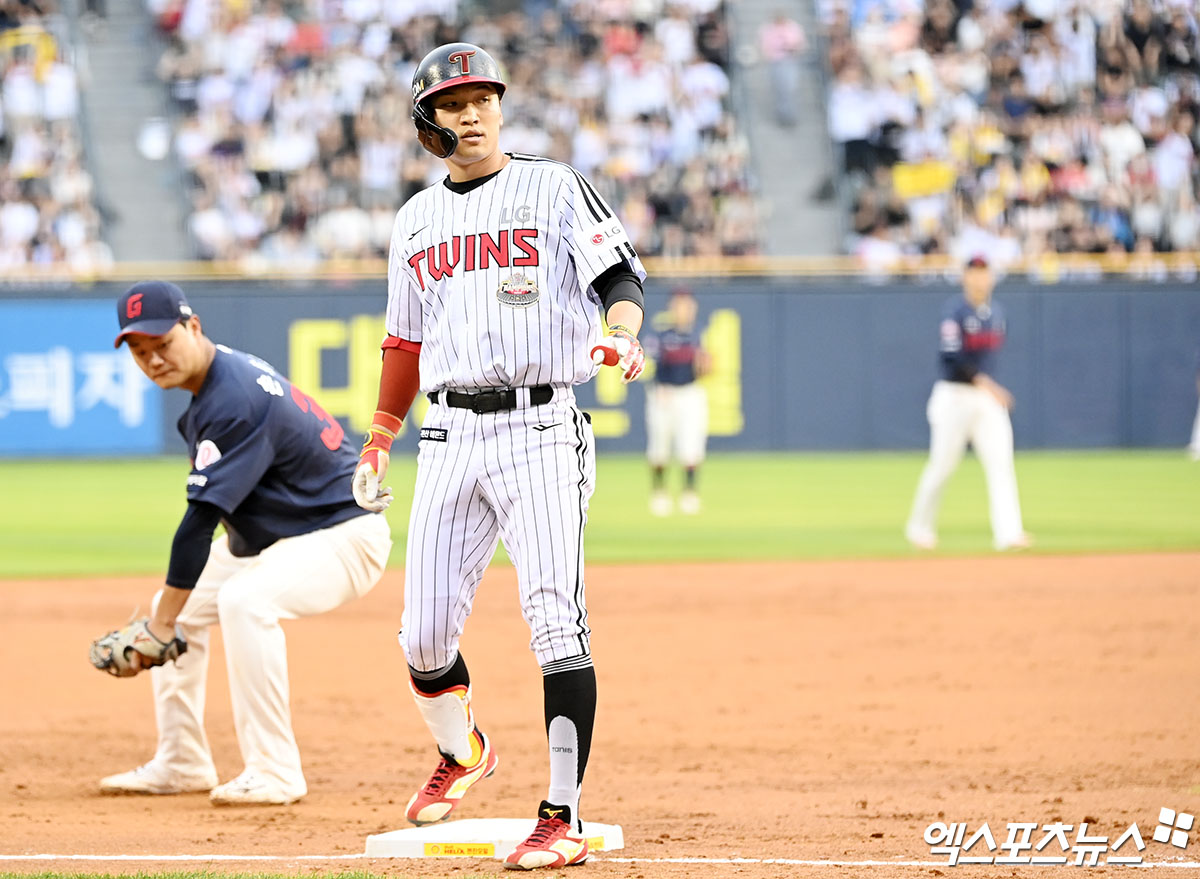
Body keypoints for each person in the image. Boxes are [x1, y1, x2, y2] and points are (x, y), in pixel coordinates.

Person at [350, 43, 646, 871]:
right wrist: (379, 435)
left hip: (541, 427)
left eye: (483, 97)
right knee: (422, 635)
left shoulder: (551, 187)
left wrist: (620, 336)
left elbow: (619, 277)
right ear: (427, 123)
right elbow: (404, 342)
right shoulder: (414, 219)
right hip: (447, 435)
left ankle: (562, 812)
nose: (472, 113)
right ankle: (465, 749)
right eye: (453, 103)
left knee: (555, 618)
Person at [97, 280, 392, 805]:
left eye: (162, 344)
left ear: (193, 327)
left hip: (343, 535)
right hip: (286, 539)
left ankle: (275, 771)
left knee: (243, 602)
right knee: (179, 606)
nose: (153, 360)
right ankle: (183, 760)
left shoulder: (232, 398)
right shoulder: (218, 380)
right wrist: (168, 620)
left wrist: (158, 630)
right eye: (141, 352)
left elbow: (199, 521)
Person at [905, 256, 1033, 552]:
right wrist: (989, 386)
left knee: (1001, 464)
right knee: (942, 466)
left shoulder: (997, 313)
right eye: (974, 273)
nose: (979, 279)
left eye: (984, 273)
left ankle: (1008, 533)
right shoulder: (954, 312)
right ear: (965, 277)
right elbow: (951, 359)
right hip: (955, 396)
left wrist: (988, 389)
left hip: (985, 400)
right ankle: (919, 528)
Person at [644, 287, 711, 515]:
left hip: (690, 392)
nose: (684, 310)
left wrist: (706, 366)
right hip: (664, 392)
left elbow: (705, 367)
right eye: (680, 306)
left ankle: (689, 493)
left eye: (688, 306)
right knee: (659, 445)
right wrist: (657, 385)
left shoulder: (699, 333)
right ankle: (659, 492)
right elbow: (650, 364)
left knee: (691, 445)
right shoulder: (661, 334)